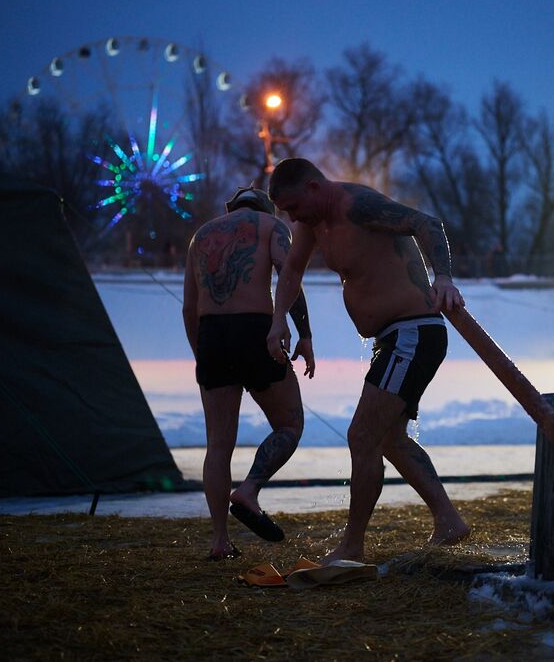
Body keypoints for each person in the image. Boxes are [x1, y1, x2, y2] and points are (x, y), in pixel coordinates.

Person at [266, 158, 470, 563]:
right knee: (389, 438)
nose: (291, 218)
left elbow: (427, 223)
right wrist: (278, 322)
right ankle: (449, 522)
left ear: (312, 188)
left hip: (413, 332)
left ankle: (353, 545)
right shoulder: (312, 224)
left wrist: (442, 277)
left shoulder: (357, 205)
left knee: (362, 436)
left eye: (293, 207)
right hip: (393, 338)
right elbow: (290, 271)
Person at [182, 186, 315, 559]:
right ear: (267, 207)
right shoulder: (271, 225)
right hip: (254, 330)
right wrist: (303, 333)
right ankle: (249, 489)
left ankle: (220, 541)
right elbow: (289, 276)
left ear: (229, 208)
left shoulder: (201, 236)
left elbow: (189, 309)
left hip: (211, 337)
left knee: (218, 446)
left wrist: (202, 355)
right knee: (290, 425)